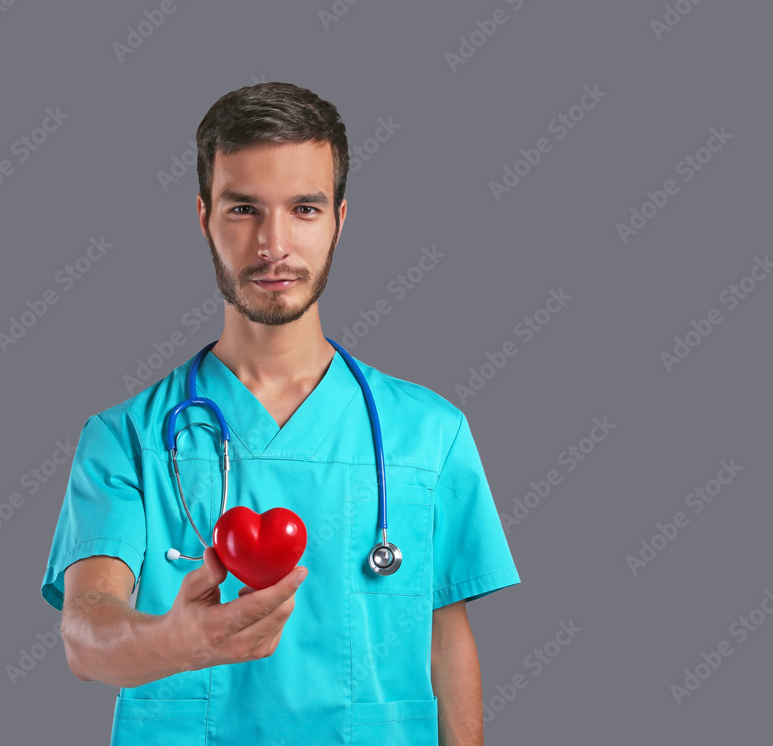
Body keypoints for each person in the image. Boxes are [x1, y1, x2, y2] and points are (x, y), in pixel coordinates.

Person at [40, 81, 520, 745]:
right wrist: (178, 641)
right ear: (203, 216)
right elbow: (87, 635)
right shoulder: (127, 440)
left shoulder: (429, 435)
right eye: (243, 209)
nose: (273, 244)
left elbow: (446, 645)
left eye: (304, 208)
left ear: (340, 220)